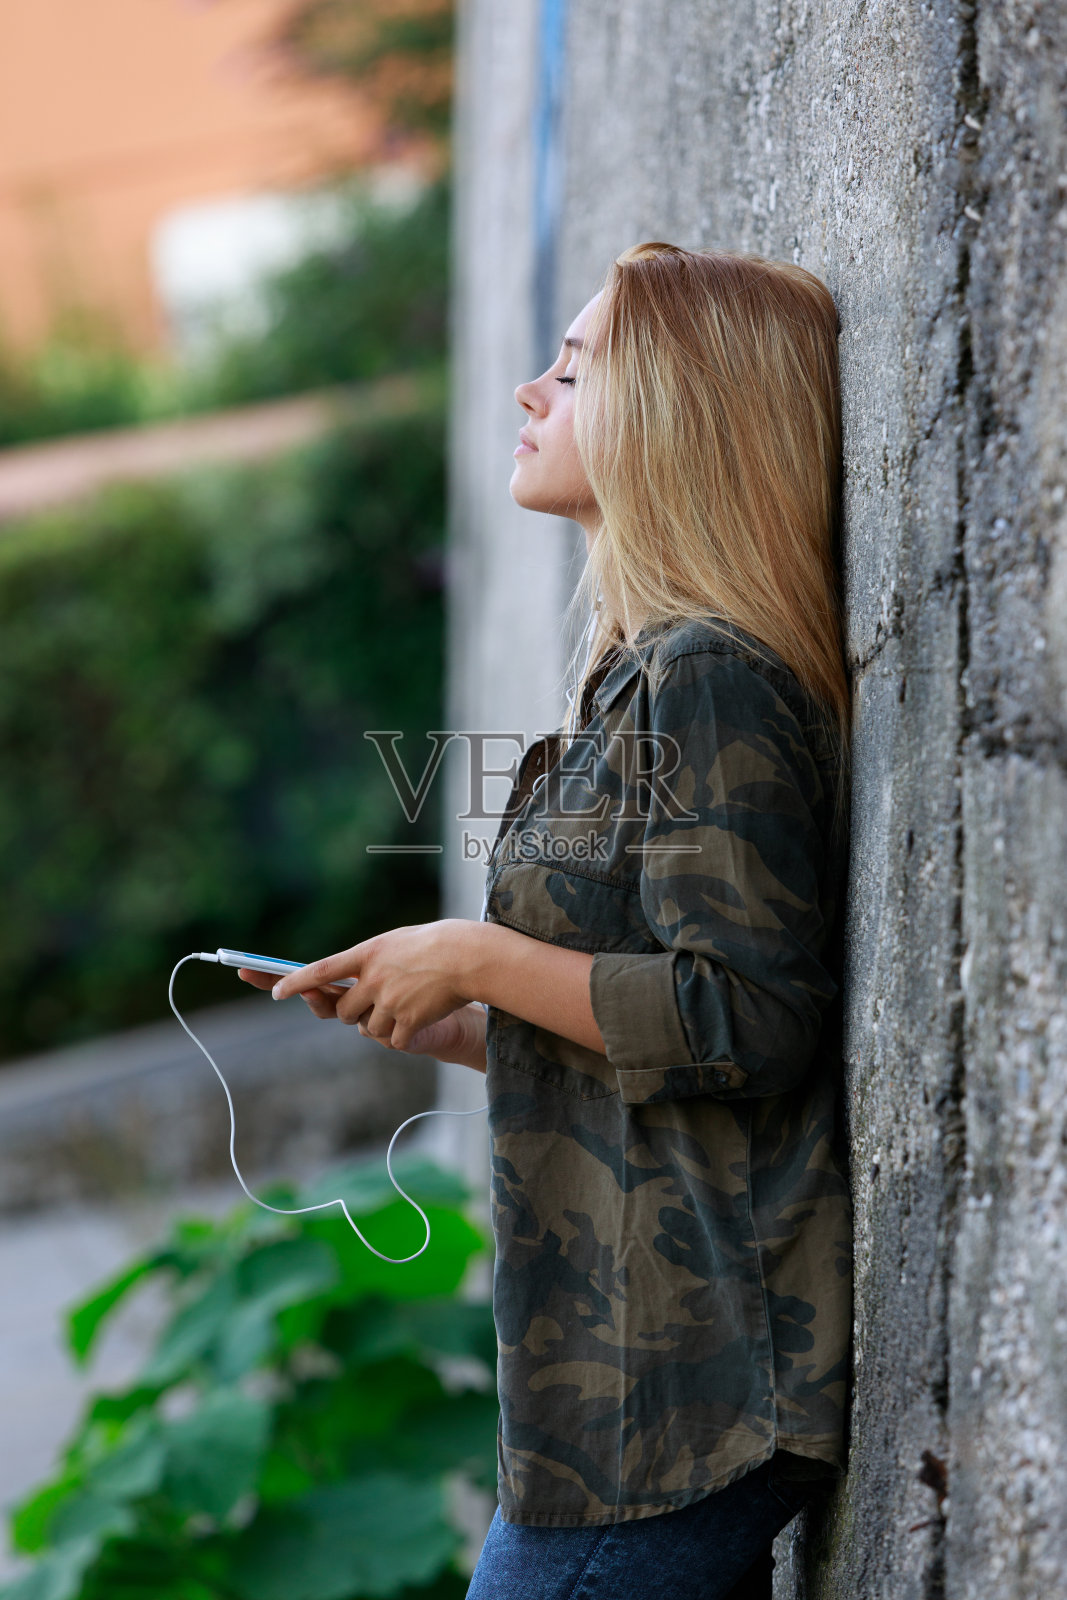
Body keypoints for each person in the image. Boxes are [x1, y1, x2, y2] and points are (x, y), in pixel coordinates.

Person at [242, 242, 854, 1600]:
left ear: (670, 417)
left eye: (572, 371)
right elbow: (651, 1033)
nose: (528, 391)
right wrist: (461, 1014)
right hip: (619, 1404)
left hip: (678, 1403)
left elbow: (750, 1021)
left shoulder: (709, 682)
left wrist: (479, 953)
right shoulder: (641, 681)